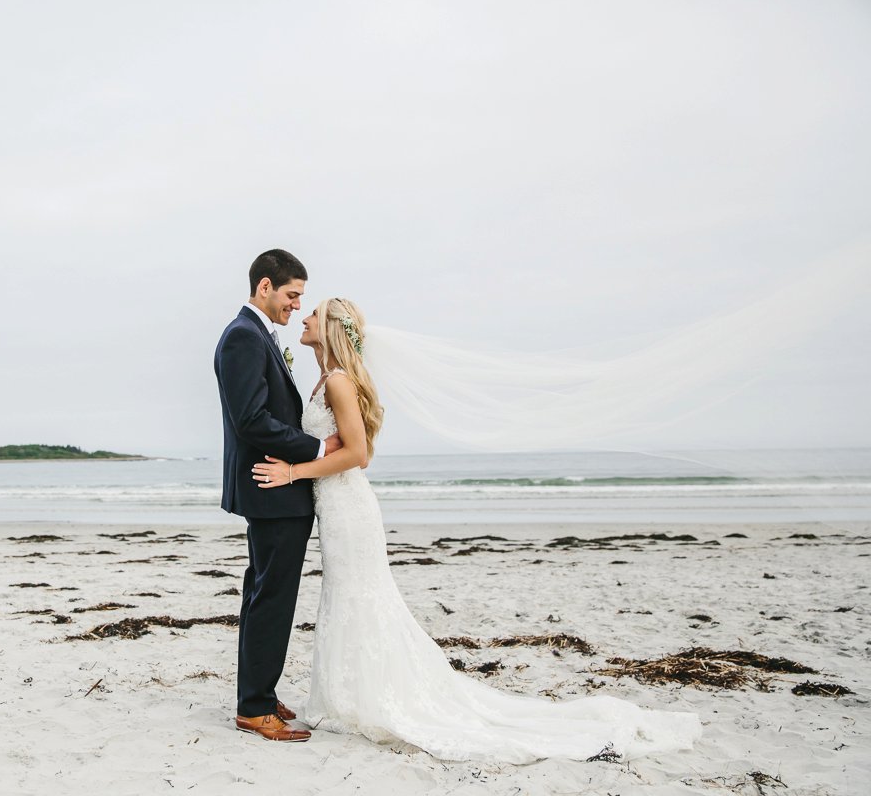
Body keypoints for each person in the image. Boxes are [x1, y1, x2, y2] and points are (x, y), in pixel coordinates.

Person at [251, 297, 702, 762]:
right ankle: (346, 696)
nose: (303, 317)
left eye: (314, 314)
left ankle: (369, 699)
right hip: (336, 507)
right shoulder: (325, 379)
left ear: (329, 329)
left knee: (359, 598)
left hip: (348, 507)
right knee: (346, 598)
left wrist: (295, 473)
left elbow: (359, 455)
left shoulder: (341, 383)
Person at [213, 249, 341, 742]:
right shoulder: (244, 337)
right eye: (292, 295)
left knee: (262, 593)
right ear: (264, 286)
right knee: (272, 598)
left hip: (273, 487)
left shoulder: (256, 335)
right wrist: (315, 446)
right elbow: (251, 420)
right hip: (273, 486)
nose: (296, 305)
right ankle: (253, 708)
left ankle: (259, 693)